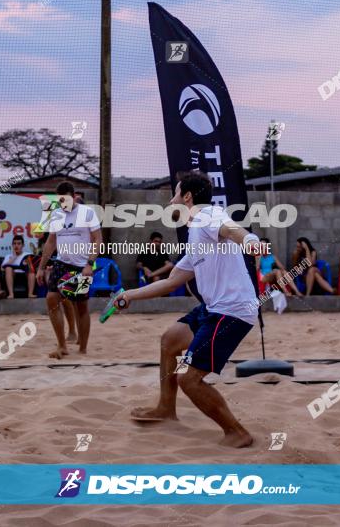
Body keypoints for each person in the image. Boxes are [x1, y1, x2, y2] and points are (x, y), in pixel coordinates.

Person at [115, 171, 265, 448]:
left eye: (175, 194)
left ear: (187, 197)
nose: (171, 201)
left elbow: (233, 230)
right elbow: (172, 281)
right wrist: (129, 295)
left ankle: (237, 432)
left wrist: (250, 242)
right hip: (212, 308)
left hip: (231, 312)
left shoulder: (208, 216)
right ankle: (165, 409)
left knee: (190, 380)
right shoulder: (196, 232)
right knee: (170, 341)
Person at [36, 181, 102, 358]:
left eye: (66, 200)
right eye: (60, 201)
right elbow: (51, 242)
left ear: (74, 197)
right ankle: (62, 345)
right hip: (61, 263)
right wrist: (41, 268)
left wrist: (90, 264)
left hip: (82, 265)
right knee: (51, 299)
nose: (63, 204)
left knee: (81, 307)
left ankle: (83, 349)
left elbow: (98, 240)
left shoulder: (87, 213)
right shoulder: (57, 214)